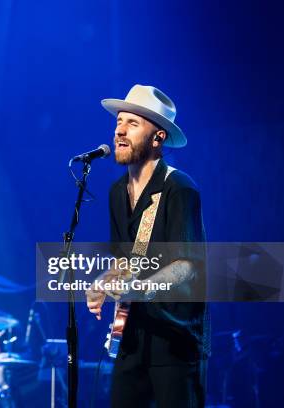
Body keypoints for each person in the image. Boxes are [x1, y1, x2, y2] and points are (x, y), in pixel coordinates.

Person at [85, 85, 209, 407]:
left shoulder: (179, 188)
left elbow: (187, 265)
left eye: (133, 124)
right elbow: (126, 261)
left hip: (174, 342)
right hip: (130, 336)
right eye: (119, 122)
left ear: (158, 138)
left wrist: (139, 290)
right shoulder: (116, 192)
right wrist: (103, 282)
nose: (120, 131)